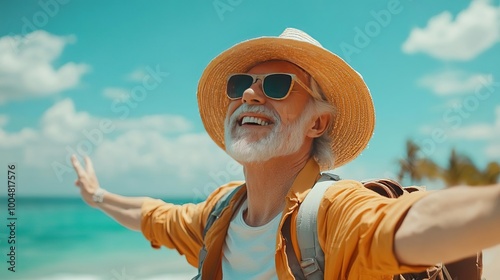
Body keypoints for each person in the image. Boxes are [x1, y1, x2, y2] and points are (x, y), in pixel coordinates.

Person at [70, 28, 500, 279]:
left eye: (277, 85)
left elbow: (413, 223)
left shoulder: (332, 212)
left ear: (317, 123)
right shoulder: (219, 212)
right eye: (241, 86)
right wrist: (97, 196)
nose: (251, 94)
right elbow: (155, 217)